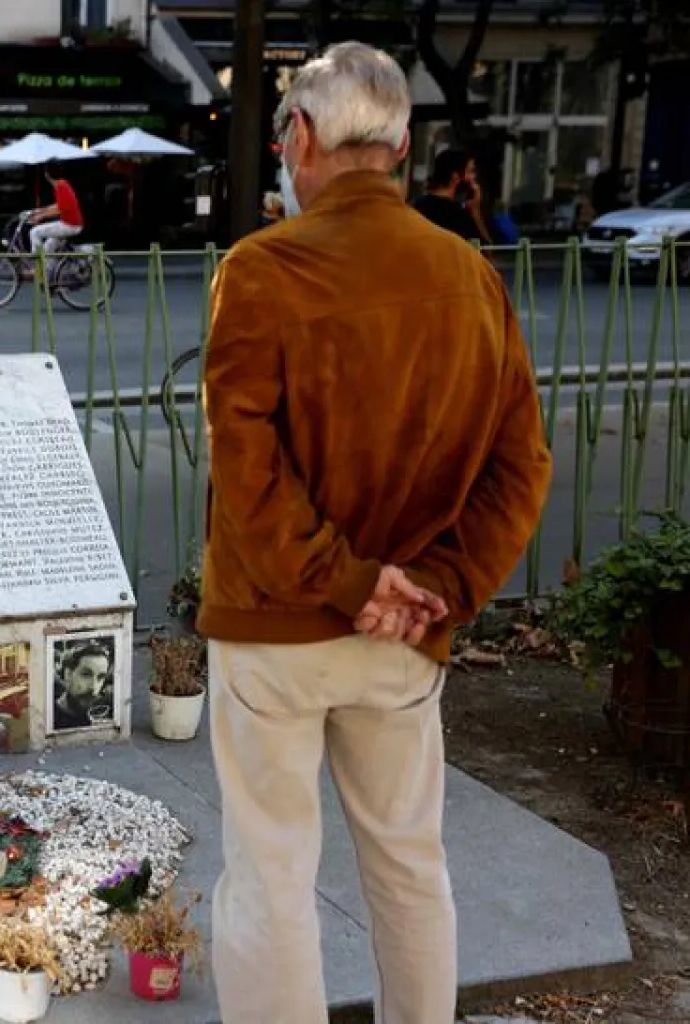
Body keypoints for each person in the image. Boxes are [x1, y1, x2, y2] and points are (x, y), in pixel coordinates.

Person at [197, 41, 552, 1023]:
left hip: (276, 627)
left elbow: (248, 474)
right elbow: (520, 463)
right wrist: (439, 581)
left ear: (301, 137)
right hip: (405, 635)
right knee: (408, 863)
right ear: (398, 146)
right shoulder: (468, 275)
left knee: (269, 874)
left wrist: (351, 579)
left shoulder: (261, 269)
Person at [413, 147, 492, 244]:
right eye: (470, 171)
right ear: (455, 176)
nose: (473, 178)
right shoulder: (459, 215)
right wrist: (475, 212)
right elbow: (486, 251)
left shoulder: (417, 206)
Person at [27, 161, 85, 275]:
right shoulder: (62, 184)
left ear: (47, 174)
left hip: (70, 225)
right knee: (49, 246)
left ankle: (38, 266)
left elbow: (60, 209)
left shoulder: (60, 186)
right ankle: (50, 274)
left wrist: (40, 217)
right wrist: (40, 211)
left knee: (34, 232)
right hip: (73, 224)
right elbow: (59, 205)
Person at [51, 641, 113, 730]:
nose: (94, 687)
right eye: (86, 675)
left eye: (100, 677)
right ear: (68, 674)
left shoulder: (100, 711)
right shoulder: (49, 717)